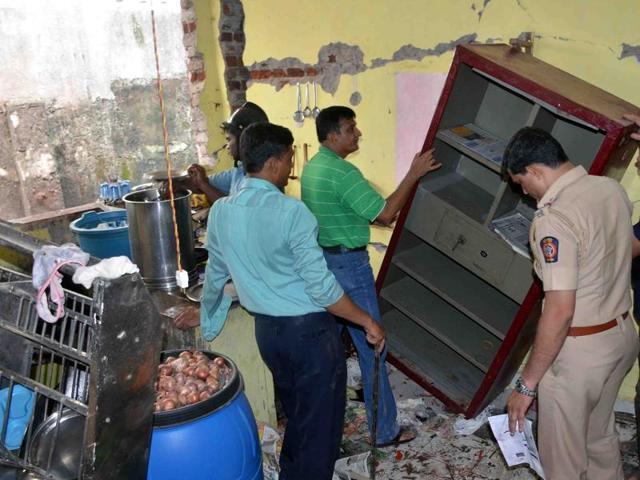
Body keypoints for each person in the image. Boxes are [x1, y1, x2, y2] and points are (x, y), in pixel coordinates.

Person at [175, 122, 385, 480]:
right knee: (320, 428)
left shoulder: (222, 211)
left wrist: (206, 313)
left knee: (300, 417)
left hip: (270, 336)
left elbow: (218, 276)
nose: (291, 168)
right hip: (310, 337)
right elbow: (323, 290)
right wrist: (367, 321)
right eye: (289, 158)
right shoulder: (293, 213)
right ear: (273, 162)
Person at [300, 105, 441, 447]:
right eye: (351, 128)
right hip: (349, 266)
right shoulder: (342, 173)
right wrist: (413, 174)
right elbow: (386, 213)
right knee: (373, 345)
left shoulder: (312, 168)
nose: (358, 133)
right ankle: (384, 430)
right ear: (333, 136)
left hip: (322, 264)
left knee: (330, 349)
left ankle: (325, 429)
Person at [504, 127, 639, 479]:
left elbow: (560, 311)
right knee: (599, 436)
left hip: (581, 354)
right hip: (621, 335)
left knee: (562, 458)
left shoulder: (554, 220)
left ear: (535, 171)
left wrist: (526, 385)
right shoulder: (609, 189)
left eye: (521, 182)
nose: (525, 191)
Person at [182, 101, 269, 204]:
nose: (227, 146)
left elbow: (234, 209)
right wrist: (179, 184)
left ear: (243, 140)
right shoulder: (239, 171)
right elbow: (200, 183)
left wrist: (203, 185)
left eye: (229, 139)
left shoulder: (262, 177)